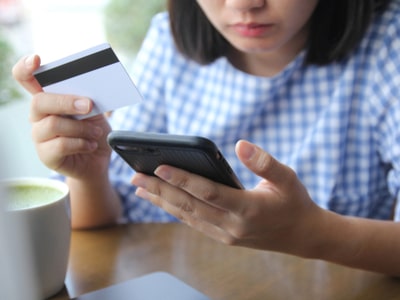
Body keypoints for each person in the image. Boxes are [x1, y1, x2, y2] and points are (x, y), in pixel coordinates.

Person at [13, 0, 400, 276]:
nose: (244, 4)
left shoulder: (387, 42)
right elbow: (106, 219)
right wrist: (88, 176)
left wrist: (312, 234)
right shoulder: (169, 40)